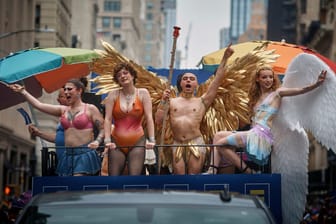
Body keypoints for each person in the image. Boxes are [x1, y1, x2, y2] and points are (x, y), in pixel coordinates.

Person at [207, 65, 327, 174]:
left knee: (220, 144)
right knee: (217, 136)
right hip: (252, 133)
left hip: (261, 136)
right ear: (258, 79)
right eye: (264, 77)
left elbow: (301, 90)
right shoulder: (255, 97)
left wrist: (317, 84)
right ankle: (212, 169)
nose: (268, 80)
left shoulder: (277, 93)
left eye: (270, 77)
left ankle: (248, 171)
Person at [155, 44, 234, 175]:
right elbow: (158, 120)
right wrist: (163, 100)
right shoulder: (171, 101)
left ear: (196, 84)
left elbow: (218, 78)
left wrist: (225, 58)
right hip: (177, 143)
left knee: (194, 177)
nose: (188, 81)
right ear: (180, 83)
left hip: (196, 142)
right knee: (179, 178)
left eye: (192, 79)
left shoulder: (202, 101)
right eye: (185, 79)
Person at [9, 78, 104, 176]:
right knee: (67, 188)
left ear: (79, 91)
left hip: (84, 154)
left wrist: (97, 141)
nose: (66, 92)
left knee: (76, 183)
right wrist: (23, 91)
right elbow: (39, 105)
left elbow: (103, 128)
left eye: (69, 89)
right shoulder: (63, 110)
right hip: (67, 156)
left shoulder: (90, 109)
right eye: (65, 89)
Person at [103, 62, 155, 176]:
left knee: (134, 179)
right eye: (119, 75)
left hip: (137, 140)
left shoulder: (143, 93)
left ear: (132, 75)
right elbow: (107, 119)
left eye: (125, 73)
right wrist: (107, 141)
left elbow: (149, 118)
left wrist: (152, 140)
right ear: (117, 80)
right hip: (116, 141)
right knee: (113, 179)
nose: (122, 76)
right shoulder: (112, 95)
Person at [28, 88, 68, 159]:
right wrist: (38, 133)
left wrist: (23, 92)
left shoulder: (76, 114)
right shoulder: (64, 115)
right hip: (62, 160)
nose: (57, 99)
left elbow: (39, 105)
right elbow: (59, 137)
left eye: (61, 96)